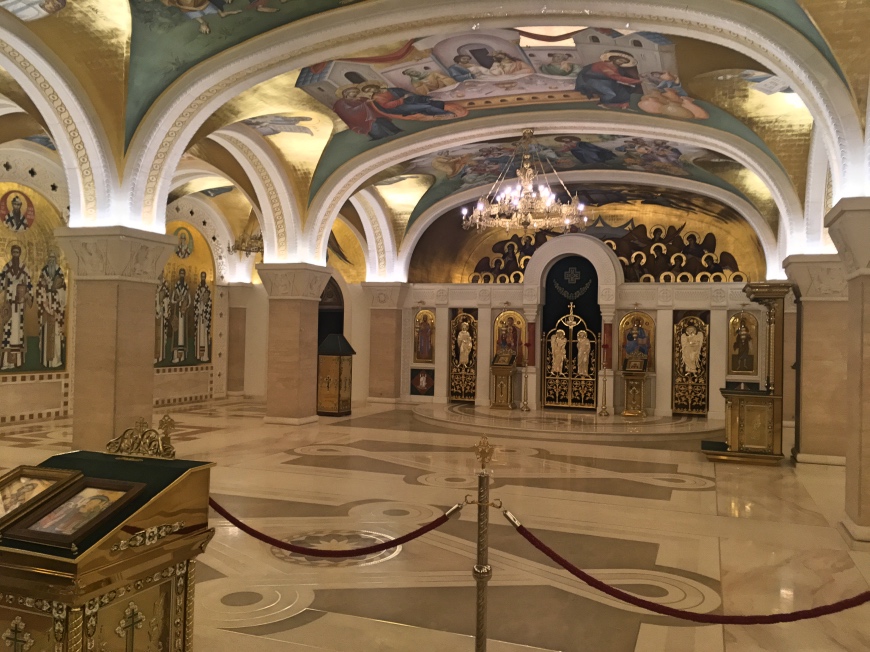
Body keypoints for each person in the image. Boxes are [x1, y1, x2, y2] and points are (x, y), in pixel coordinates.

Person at [0, 244, 32, 370]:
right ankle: (7, 363)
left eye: (17, 253)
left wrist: (26, 296)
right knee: (7, 331)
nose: (15, 255)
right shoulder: (6, 268)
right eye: (13, 252)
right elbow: (1, 283)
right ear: (11, 254)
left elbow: (29, 286)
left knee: (18, 332)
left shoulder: (24, 269)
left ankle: (18, 362)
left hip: (20, 307)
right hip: (9, 305)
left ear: (20, 254)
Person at [575, 52, 643, 109]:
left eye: (623, 62)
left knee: (624, 90)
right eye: (620, 60)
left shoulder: (617, 68)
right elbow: (616, 77)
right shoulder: (604, 65)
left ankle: (622, 104)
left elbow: (619, 77)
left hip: (606, 81)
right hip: (590, 80)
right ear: (614, 59)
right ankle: (604, 103)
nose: (621, 62)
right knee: (611, 94)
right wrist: (637, 81)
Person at [332, 86, 402, 140]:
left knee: (384, 121)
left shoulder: (360, 99)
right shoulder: (341, 102)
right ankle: (381, 136)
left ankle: (396, 131)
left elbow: (369, 103)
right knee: (375, 127)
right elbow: (348, 112)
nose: (355, 93)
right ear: (346, 93)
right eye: (353, 92)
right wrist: (364, 104)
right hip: (361, 120)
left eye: (356, 92)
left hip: (374, 115)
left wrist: (370, 102)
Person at [36, 253, 66, 368]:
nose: (51, 262)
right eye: (50, 259)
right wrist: (45, 301)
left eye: (53, 259)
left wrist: (56, 292)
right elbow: (38, 289)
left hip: (56, 311)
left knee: (56, 335)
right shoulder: (43, 273)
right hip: (45, 310)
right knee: (45, 333)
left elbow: (63, 291)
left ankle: (56, 360)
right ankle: (45, 361)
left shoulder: (60, 273)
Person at [170, 268, 192, 364]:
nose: (182, 275)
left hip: (183, 314)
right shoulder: (176, 286)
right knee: (176, 332)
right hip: (177, 312)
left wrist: (185, 307)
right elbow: (172, 300)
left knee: (183, 334)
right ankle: (175, 356)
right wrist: (177, 300)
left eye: (183, 274)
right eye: (181, 274)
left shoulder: (186, 286)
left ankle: (182, 356)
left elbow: (190, 301)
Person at [193, 271, 212, 362]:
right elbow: (195, 302)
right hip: (200, 316)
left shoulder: (208, 290)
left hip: (205, 317)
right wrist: (199, 304)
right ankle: (198, 355)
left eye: (204, 277)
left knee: (204, 334)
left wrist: (205, 307)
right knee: (199, 335)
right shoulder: (198, 289)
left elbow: (209, 302)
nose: (203, 278)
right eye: (202, 277)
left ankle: (205, 356)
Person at [155, 272, 170, 363]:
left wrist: (163, 303)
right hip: (154, 316)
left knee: (160, 336)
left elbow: (167, 299)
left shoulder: (165, 286)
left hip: (161, 313)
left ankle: (160, 356)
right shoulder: (153, 283)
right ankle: (154, 357)